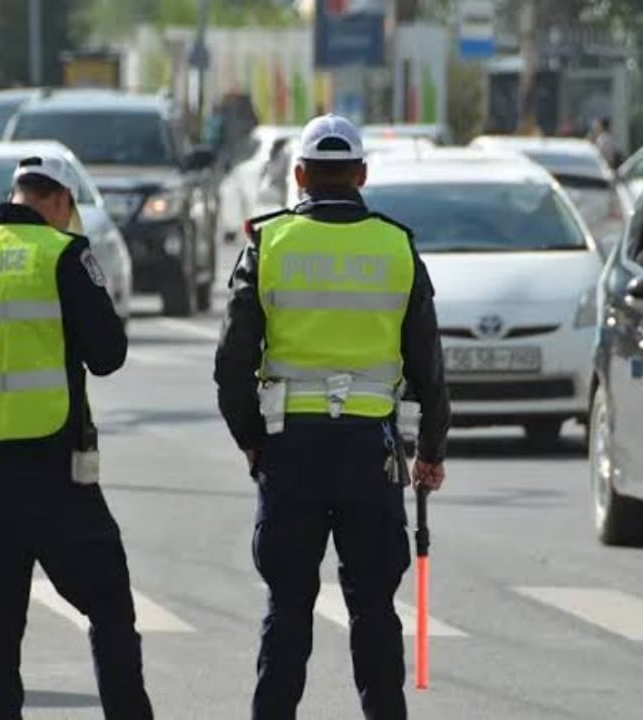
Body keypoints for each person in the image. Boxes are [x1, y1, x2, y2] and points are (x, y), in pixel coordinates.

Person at [214, 114, 450, 720]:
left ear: (299, 176)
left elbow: (231, 364)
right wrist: (431, 451)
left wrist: (253, 444)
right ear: (362, 173)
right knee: (374, 609)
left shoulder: (268, 245)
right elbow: (428, 365)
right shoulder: (397, 246)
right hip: (369, 455)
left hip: (290, 450)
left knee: (287, 607)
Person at [0, 155, 154, 720]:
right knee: (109, 606)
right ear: (58, 200)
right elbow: (108, 355)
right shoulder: (63, 254)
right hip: (57, 469)